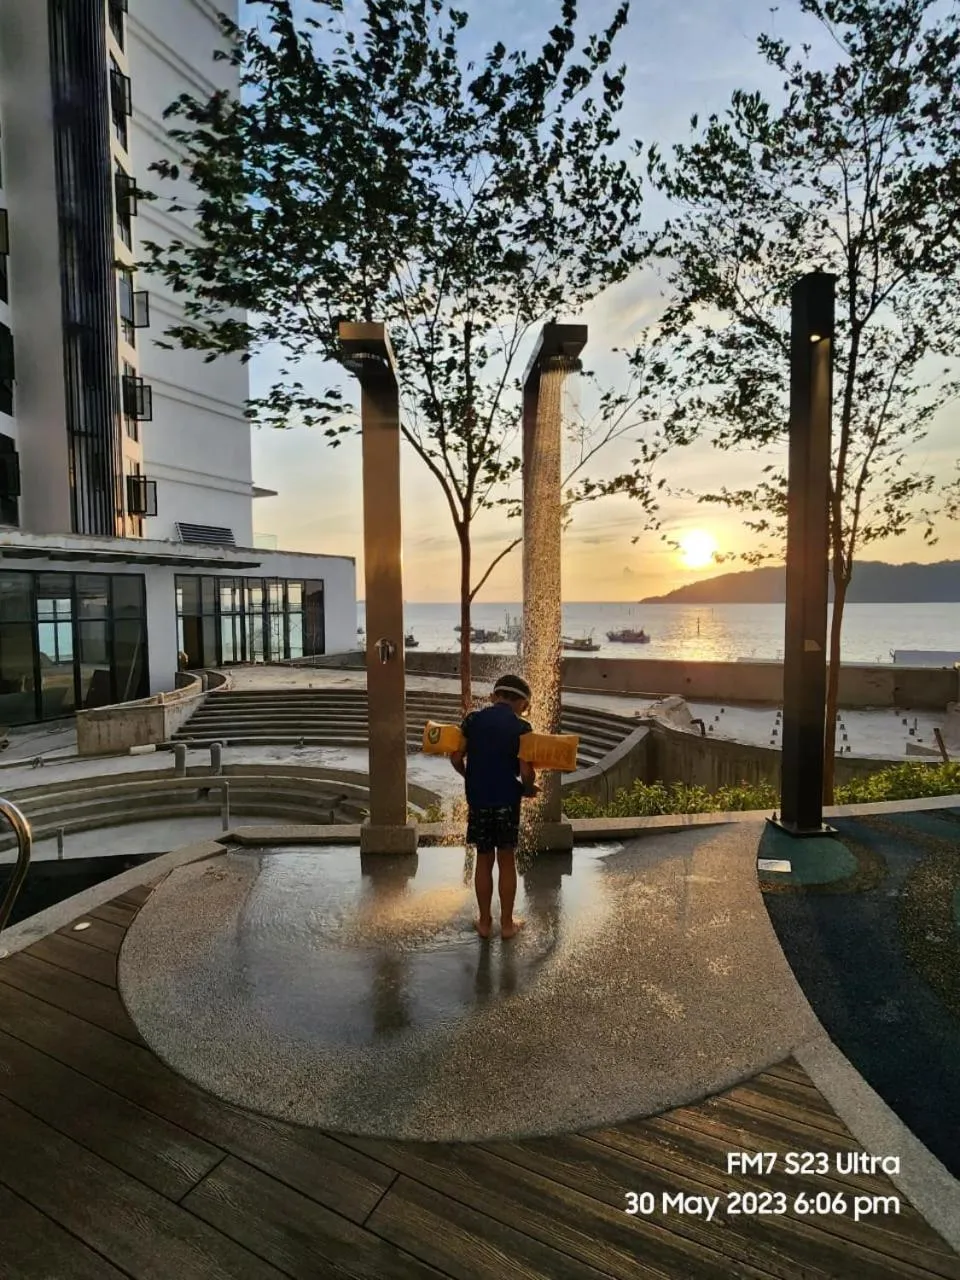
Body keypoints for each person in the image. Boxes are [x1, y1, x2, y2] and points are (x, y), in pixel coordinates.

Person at [450, 673, 538, 939]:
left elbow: (456, 757)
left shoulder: (473, 720)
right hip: (506, 800)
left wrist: (469, 776)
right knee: (507, 859)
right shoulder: (522, 728)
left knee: (484, 859)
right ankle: (508, 925)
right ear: (521, 701)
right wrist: (528, 788)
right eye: (526, 705)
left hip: (478, 799)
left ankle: (486, 923)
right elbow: (526, 772)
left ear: (495, 696)